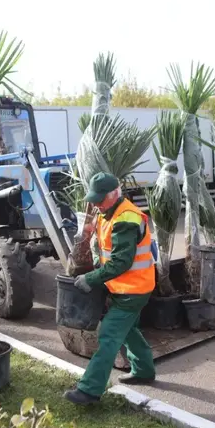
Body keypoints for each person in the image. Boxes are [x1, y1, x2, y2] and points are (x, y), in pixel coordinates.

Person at [64, 172, 157, 405]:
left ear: (115, 194)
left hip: (133, 289)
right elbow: (105, 249)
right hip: (126, 287)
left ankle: (89, 390)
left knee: (108, 335)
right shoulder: (108, 212)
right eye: (93, 199)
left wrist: (91, 278)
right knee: (128, 331)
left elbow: (120, 262)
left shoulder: (126, 219)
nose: (95, 203)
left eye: (99, 199)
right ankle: (144, 370)